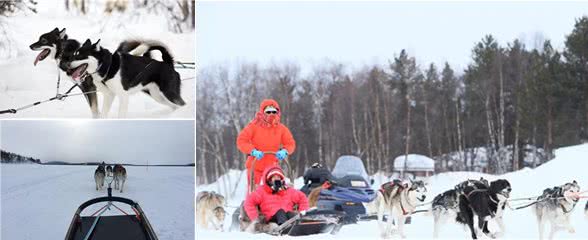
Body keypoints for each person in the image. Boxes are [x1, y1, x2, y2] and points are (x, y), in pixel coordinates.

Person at [237, 99, 296, 190]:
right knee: (253, 191)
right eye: (268, 112)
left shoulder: (281, 129)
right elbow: (241, 141)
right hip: (255, 165)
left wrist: (285, 151)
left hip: (272, 167)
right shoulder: (253, 126)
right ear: (262, 112)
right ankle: (250, 204)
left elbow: (290, 143)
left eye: (274, 111)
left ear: (278, 112)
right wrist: (252, 151)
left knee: (274, 190)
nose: (271, 114)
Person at [244, 166, 309, 228]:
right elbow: (249, 202)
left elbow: (302, 198)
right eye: (274, 177)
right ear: (269, 180)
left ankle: (302, 223)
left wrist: (302, 211)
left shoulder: (288, 190)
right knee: (280, 212)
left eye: (278, 177)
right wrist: (255, 218)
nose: (277, 179)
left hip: (288, 216)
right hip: (271, 218)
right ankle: (284, 228)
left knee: (290, 213)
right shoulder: (262, 191)